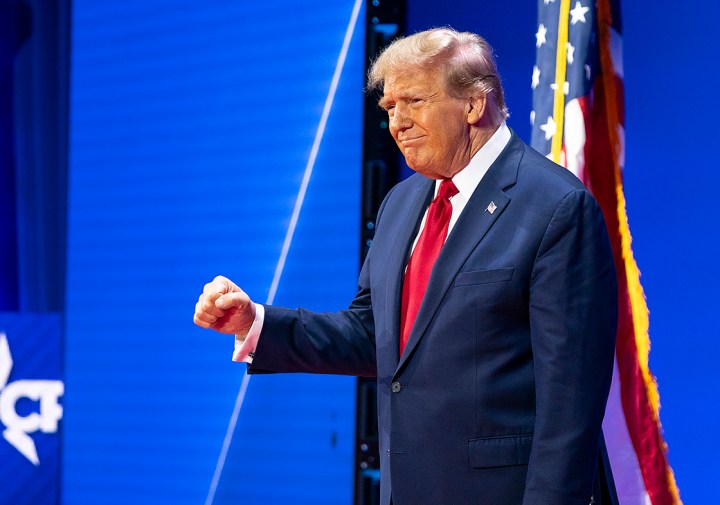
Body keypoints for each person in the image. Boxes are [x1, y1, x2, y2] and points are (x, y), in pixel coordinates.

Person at [194, 27, 618, 505]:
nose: (397, 123)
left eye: (413, 102)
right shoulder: (402, 201)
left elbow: (570, 406)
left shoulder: (556, 206)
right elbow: (375, 335)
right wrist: (258, 324)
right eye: (389, 109)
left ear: (474, 105)